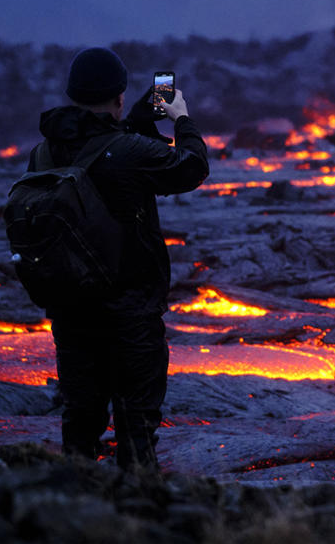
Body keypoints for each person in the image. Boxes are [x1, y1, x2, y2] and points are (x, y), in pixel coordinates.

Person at [27, 47, 209, 469]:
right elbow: (192, 168)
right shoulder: (128, 151)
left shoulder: (44, 153)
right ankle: (138, 519)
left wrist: (137, 126)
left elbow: (100, 154)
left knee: (79, 425)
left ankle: (69, 514)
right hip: (130, 316)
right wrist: (181, 118)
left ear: (72, 94)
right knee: (136, 430)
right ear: (119, 96)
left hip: (71, 312)